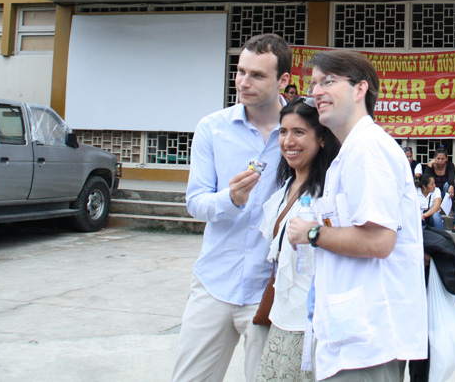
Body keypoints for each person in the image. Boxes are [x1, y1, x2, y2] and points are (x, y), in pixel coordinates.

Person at [286, 49, 427, 381]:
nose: (316, 91)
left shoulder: (367, 149)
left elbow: (379, 240)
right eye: (314, 84)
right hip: (355, 334)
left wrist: (311, 233)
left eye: (328, 81)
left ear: (360, 89)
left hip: (369, 340)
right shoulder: (350, 151)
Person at [172, 34, 292, 382]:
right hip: (214, 282)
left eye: (257, 75)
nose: (243, 82)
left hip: (268, 289)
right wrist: (231, 199)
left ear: (283, 80)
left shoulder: (299, 132)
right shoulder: (213, 128)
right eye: (240, 72)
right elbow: (195, 202)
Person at [256, 97, 340, 382]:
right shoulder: (286, 188)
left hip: (308, 328)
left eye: (299, 132)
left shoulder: (327, 197)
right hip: (279, 320)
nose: (288, 141)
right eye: (283, 131)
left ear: (322, 139)